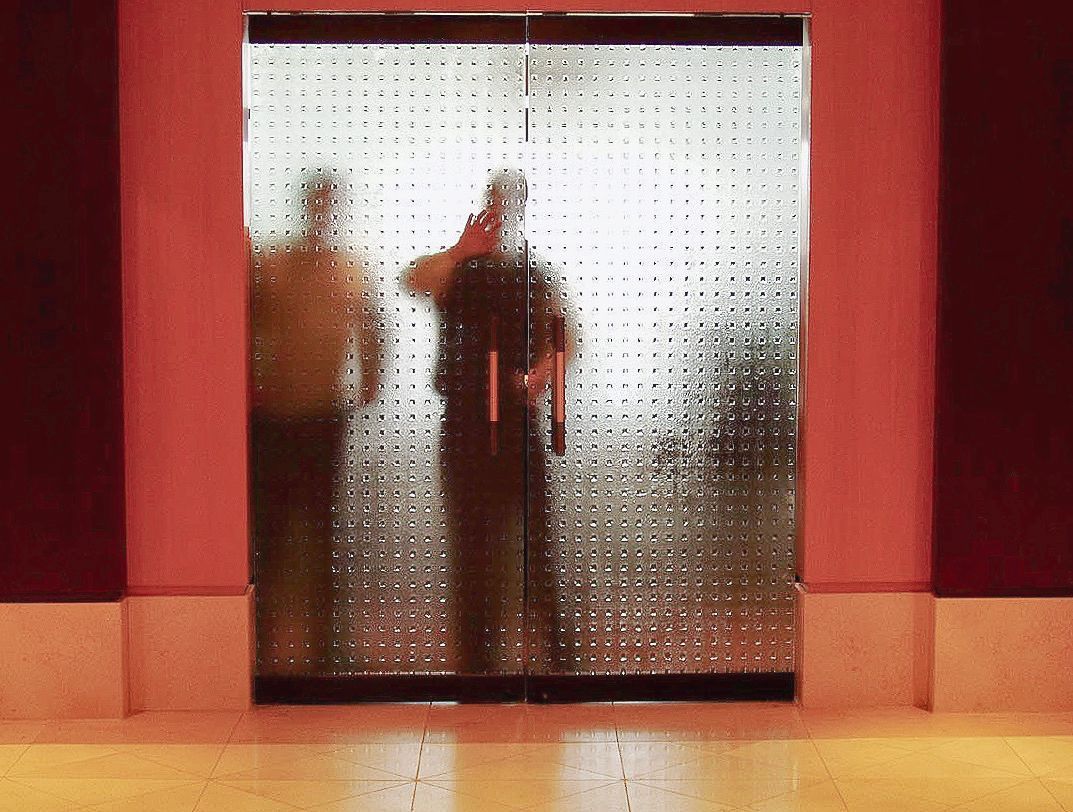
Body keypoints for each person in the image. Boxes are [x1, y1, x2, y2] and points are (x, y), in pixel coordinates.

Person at [405, 169, 576, 674]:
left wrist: (542, 374)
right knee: (472, 546)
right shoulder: (458, 269)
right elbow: (412, 279)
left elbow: (564, 334)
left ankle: (557, 654)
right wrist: (460, 251)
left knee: (536, 543)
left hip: (517, 421)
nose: (502, 211)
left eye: (510, 202)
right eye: (495, 202)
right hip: (466, 421)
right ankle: (478, 662)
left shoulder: (532, 274)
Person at [250, 170, 381, 674]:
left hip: (323, 413)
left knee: (322, 532)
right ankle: (263, 644)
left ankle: (325, 648)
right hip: (274, 414)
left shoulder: (349, 270)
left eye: (329, 202)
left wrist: (370, 379)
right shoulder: (275, 264)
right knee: (272, 535)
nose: (322, 211)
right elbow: (248, 323)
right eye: (318, 201)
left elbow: (371, 329)